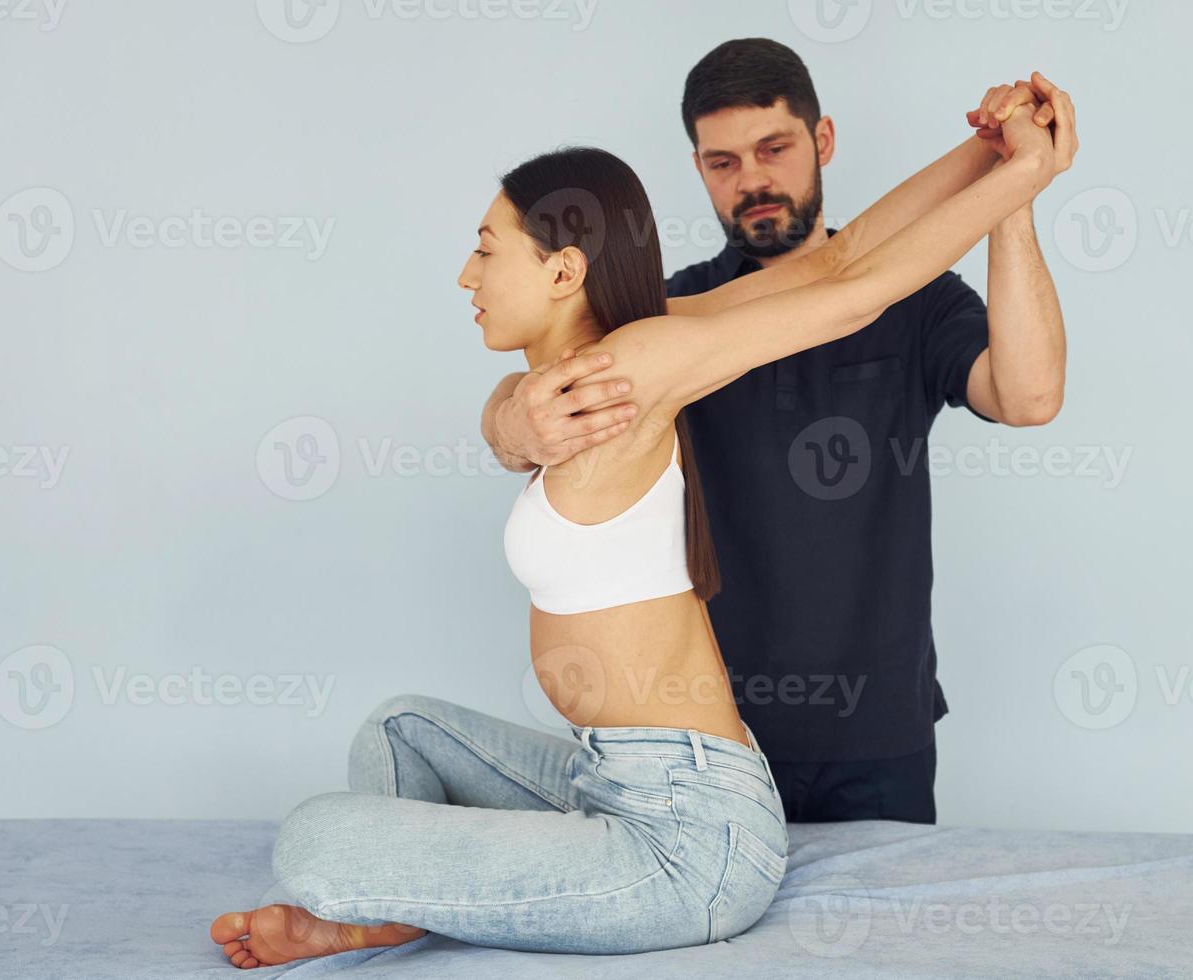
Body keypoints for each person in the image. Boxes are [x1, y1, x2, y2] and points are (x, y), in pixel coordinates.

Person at [207, 84, 1061, 967]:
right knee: (399, 730)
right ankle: (398, 902)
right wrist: (986, 148)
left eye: (483, 250)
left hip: (688, 840)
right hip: (606, 779)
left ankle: (382, 901)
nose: (467, 276)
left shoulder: (637, 363)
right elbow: (824, 272)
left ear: (563, 271)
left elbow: (852, 288)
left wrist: (1025, 169)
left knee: (314, 841)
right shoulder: (611, 354)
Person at [482, 38, 1076, 825]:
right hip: (713, 735)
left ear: (820, 141)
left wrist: (1001, 162)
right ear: (697, 168)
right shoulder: (671, 315)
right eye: (723, 161)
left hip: (874, 735)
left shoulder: (905, 301)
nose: (753, 178)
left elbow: (858, 274)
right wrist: (510, 416)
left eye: (774, 148)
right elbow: (853, 285)